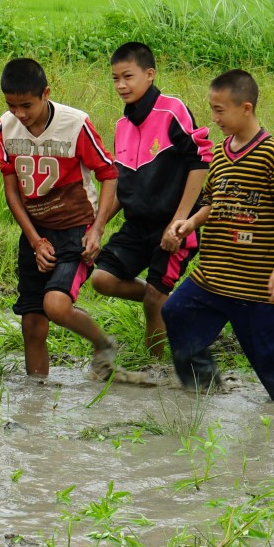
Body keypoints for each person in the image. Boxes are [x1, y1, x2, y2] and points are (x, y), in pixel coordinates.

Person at [162, 70, 274, 405]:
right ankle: (204, 390)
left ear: (246, 108)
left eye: (219, 110)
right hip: (213, 276)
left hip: (257, 286)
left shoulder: (272, 153)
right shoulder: (222, 150)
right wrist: (190, 222)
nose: (214, 118)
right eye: (211, 109)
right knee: (176, 311)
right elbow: (214, 199)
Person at [0, 57, 121, 380]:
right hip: (37, 233)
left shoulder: (75, 124)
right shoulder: (6, 126)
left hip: (74, 231)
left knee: (56, 305)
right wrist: (35, 241)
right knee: (32, 325)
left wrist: (96, 230)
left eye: (26, 105)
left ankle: (103, 343)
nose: (19, 114)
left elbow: (109, 174)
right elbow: (12, 192)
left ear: (46, 93)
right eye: (12, 105)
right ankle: (35, 400)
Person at [88, 42, 212, 358]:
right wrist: (98, 226)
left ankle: (153, 367)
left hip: (173, 225)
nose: (120, 85)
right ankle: (169, 302)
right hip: (137, 225)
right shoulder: (122, 125)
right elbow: (120, 182)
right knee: (102, 279)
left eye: (127, 76)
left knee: (153, 301)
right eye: (115, 78)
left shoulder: (172, 110)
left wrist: (180, 221)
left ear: (149, 74)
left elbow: (200, 162)